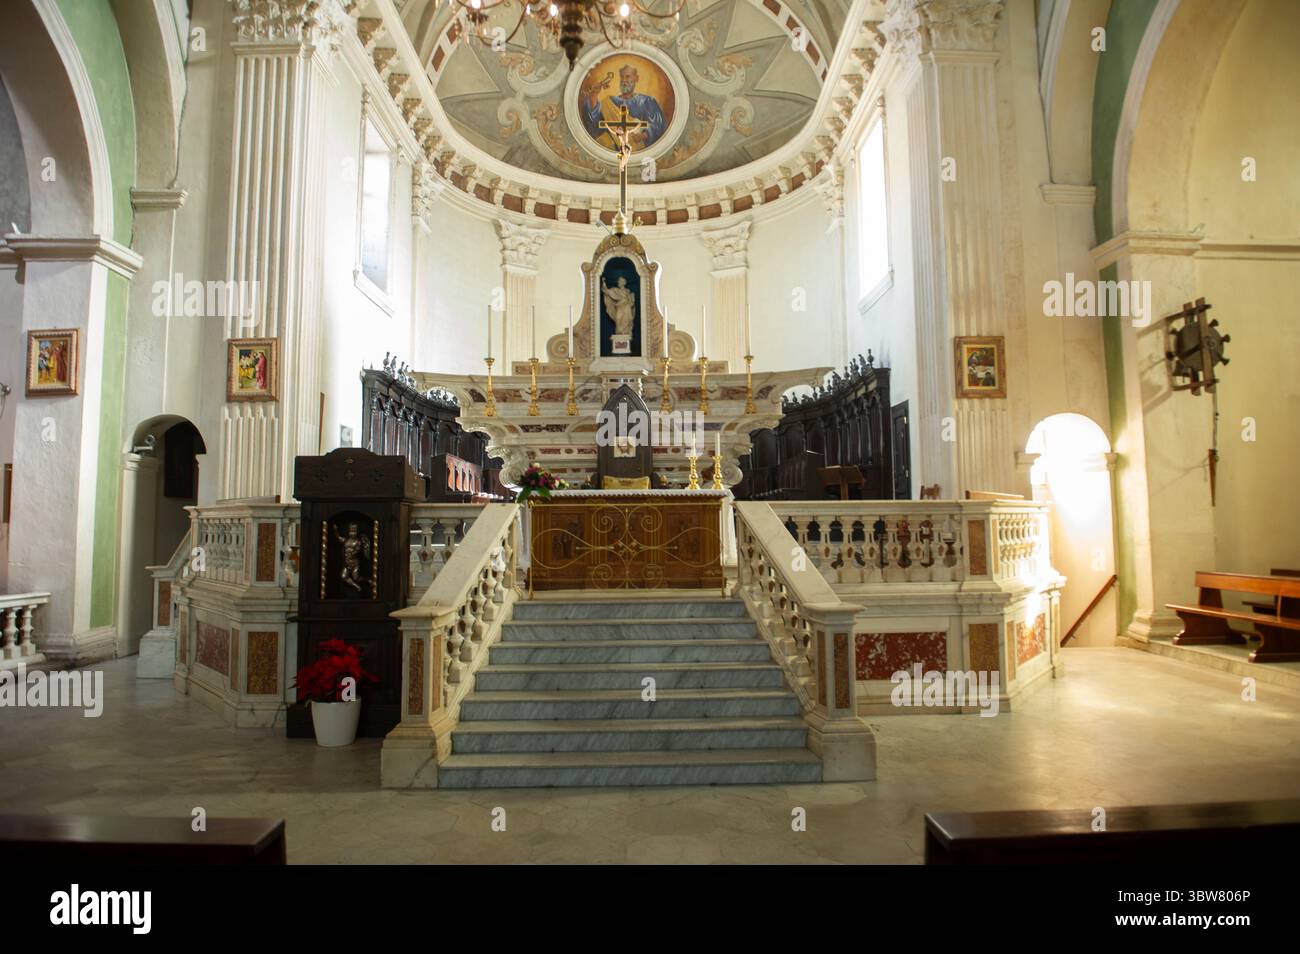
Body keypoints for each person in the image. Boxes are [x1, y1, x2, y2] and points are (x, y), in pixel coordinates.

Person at [582, 65, 666, 150]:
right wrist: (593, 96)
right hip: (613, 149)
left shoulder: (647, 101)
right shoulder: (609, 102)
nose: (624, 80)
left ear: (636, 78)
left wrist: (643, 135)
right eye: (622, 77)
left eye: (628, 76)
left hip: (638, 148)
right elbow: (595, 125)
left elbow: (658, 125)